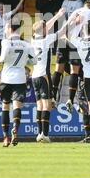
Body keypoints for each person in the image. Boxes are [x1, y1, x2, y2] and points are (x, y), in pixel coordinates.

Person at [0, 18, 36, 147]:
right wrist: (24, 61)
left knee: (5, 107)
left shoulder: (6, 42)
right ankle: (15, 131)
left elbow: (3, 57)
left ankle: (5, 136)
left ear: (9, 29)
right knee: (17, 106)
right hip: (20, 78)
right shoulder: (27, 44)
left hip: (6, 79)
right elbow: (34, 61)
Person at [31, 9, 68, 141]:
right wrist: (72, 20)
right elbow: (62, 32)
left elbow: (45, 28)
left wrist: (57, 15)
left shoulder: (33, 39)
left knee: (39, 105)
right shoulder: (46, 40)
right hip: (44, 76)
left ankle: (39, 133)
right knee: (47, 105)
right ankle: (45, 135)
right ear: (44, 30)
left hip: (34, 76)